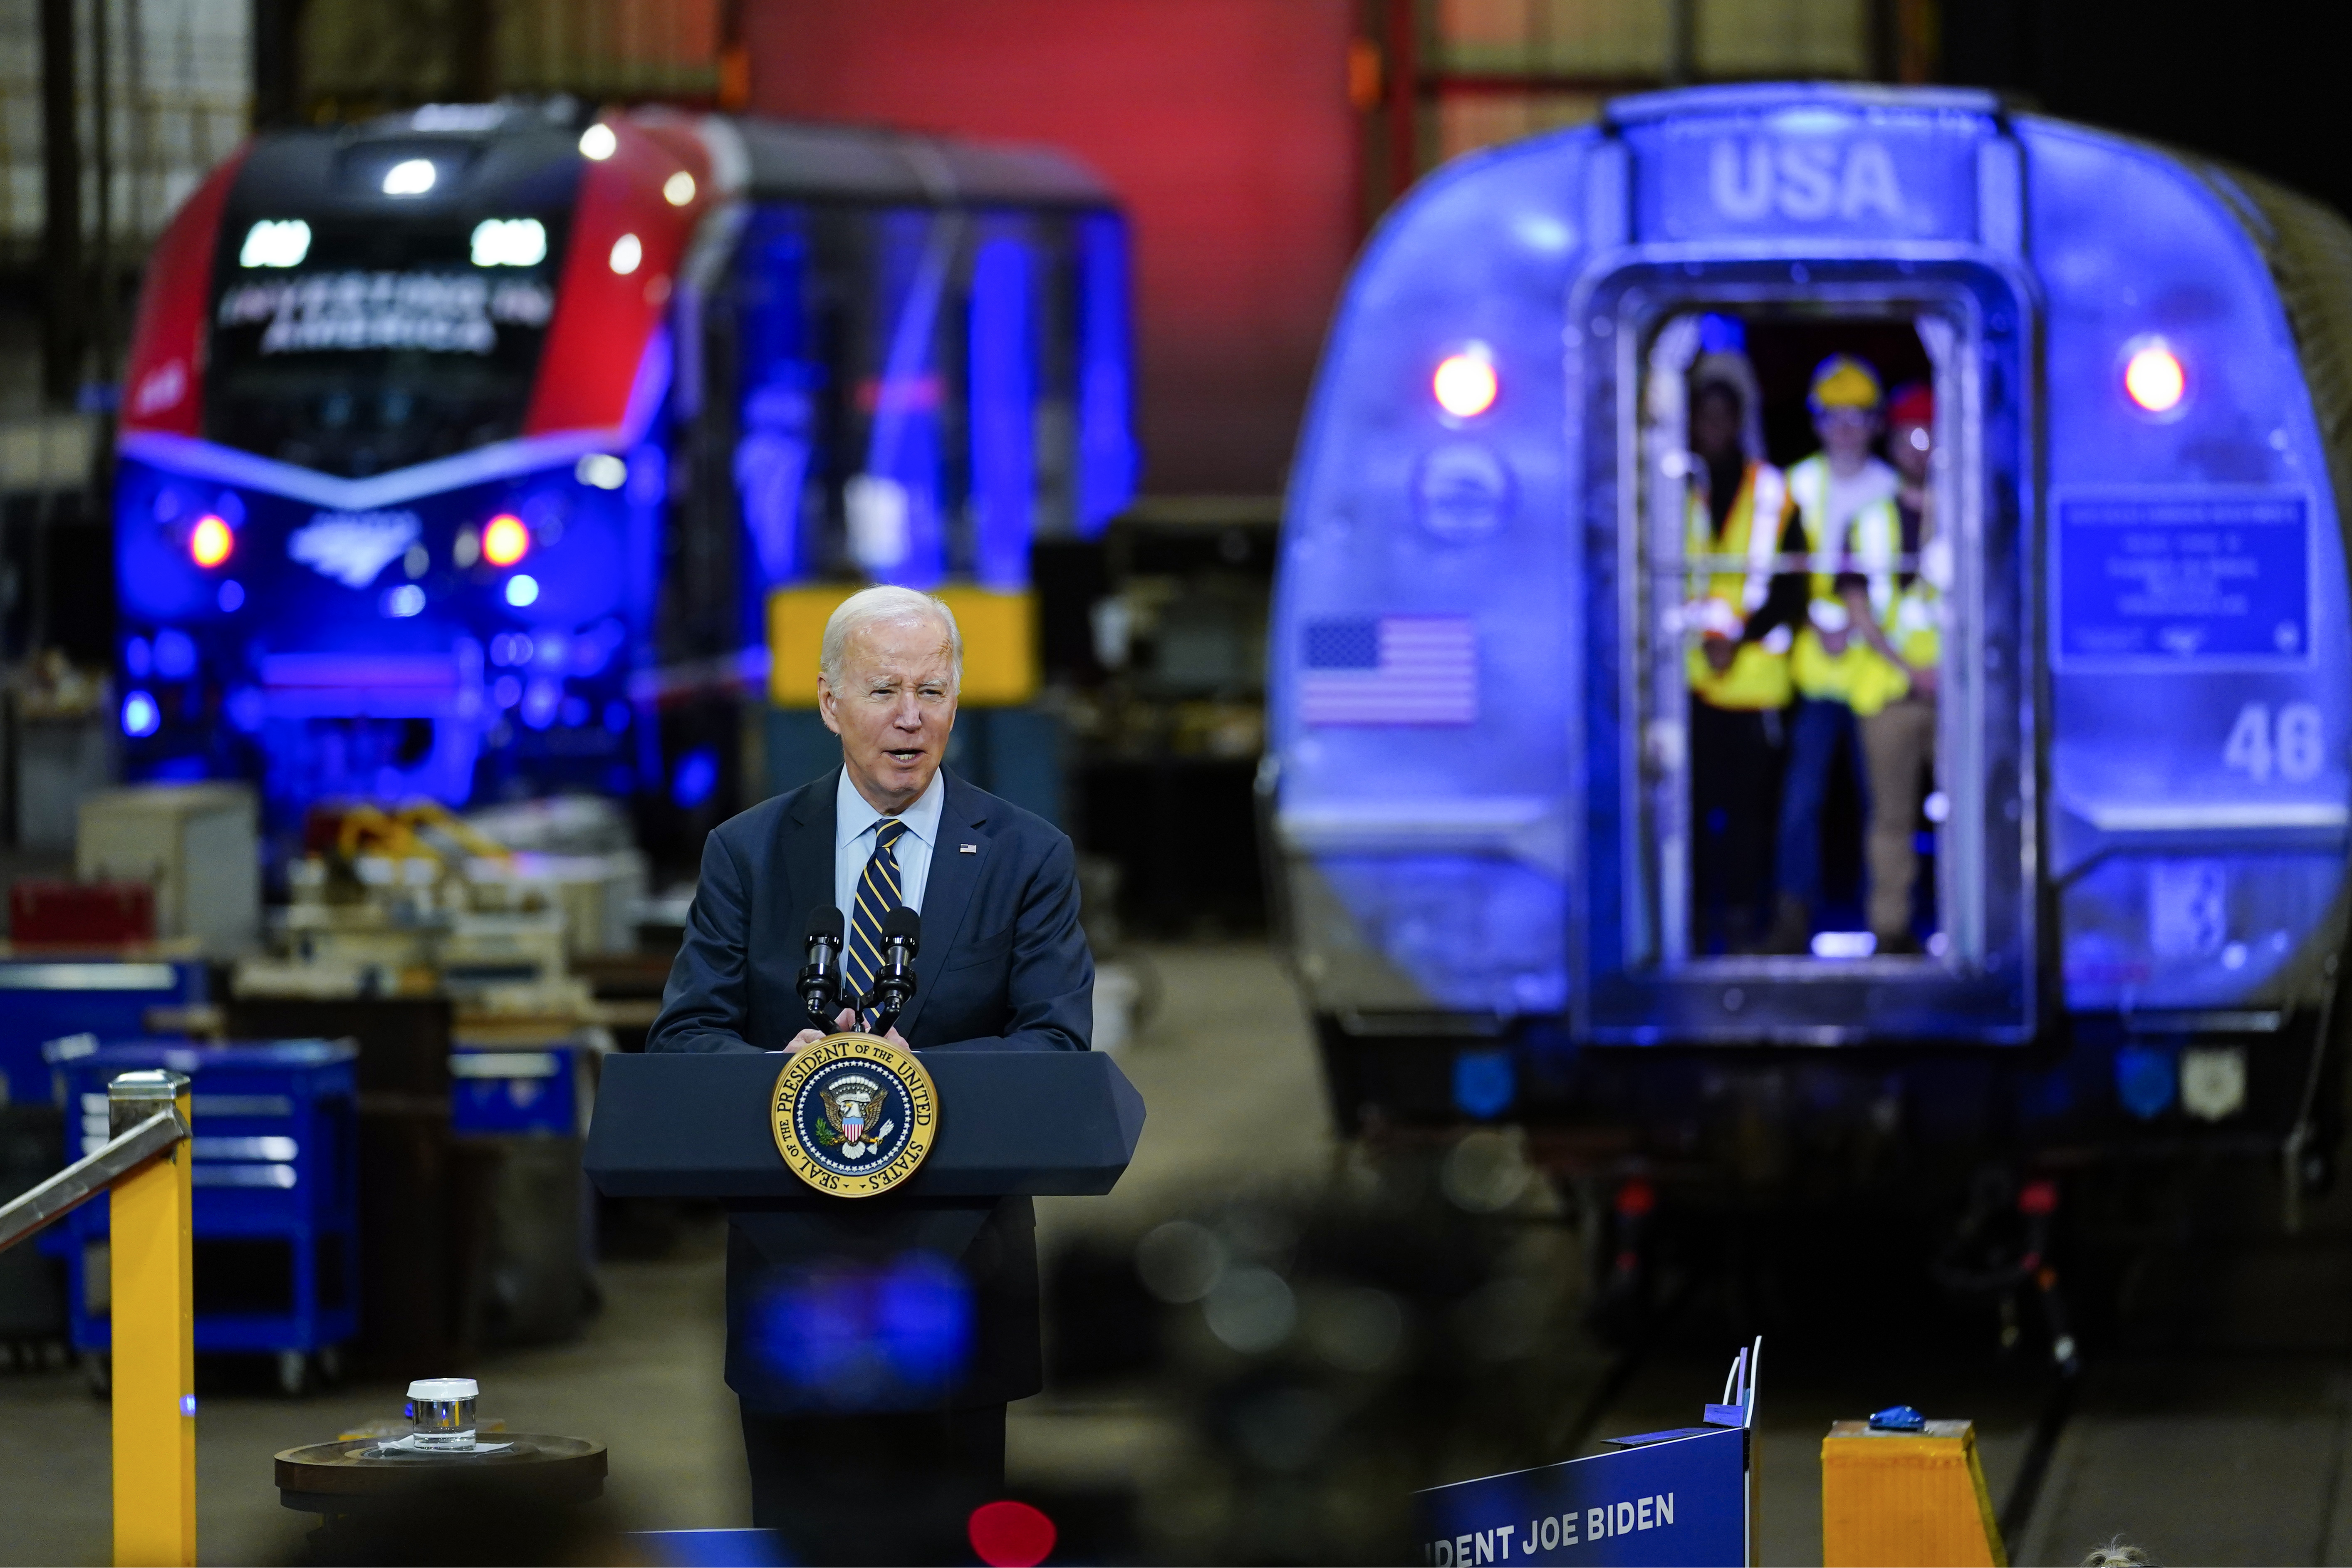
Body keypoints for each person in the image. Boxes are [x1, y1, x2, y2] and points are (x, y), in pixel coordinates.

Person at [648, 584, 1092, 1564]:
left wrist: (916, 1076)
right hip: (792, 1271)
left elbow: (1057, 1048)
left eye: (932, 690)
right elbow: (686, 1040)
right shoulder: (748, 853)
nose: (909, 717)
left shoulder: (1028, 857)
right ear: (827, 701)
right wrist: (782, 1073)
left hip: (960, 1270)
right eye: (884, 688)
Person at [1763, 354, 1900, 954]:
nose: (1845, 429)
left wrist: (1858, 622)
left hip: (1877, 673)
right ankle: (1792, 916)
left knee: (1885, 804)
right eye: (1833, 416)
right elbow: (1774, 574)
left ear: (1875, 424)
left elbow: (1900, 584)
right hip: (1813, 672)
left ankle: (1889, 922)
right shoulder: (1792, 486)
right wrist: (1819, 616)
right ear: (1816, 423)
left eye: (1858, 417)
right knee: (1802, 799)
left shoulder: (1895, 489)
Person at [1680, 353, 1807, 953]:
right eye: (1701, 415)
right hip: (1684, 685)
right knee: (1686, 812)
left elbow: (1792, 586)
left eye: (1721, 415)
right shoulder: (1666, 488)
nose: (1712, 426)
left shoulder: (1772, 493)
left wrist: (1741, 638)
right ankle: (1686, 918)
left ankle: (1740, 917)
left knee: (1750, 817)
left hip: (1754, 686)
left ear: (1737, 421)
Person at [1836, 381, 1943, 953]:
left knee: (1969, 815)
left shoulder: (1969, 518)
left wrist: (1950, 672)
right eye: (1911, 435)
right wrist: (1909, 668)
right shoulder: (1868, 520)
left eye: (1930, 434)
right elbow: (1857, 606)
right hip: (1889, 693)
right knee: (1890, 818)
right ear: (1895, 443)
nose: (1920, 447)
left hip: (1960, 695)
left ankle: (1970, 920)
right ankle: (1890, 927)